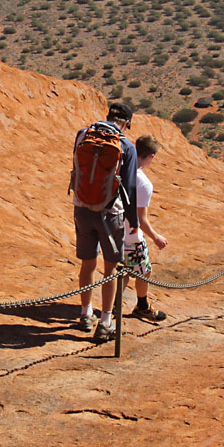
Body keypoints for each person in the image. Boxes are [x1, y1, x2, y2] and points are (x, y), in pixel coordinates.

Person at [71, 101, 138, 342]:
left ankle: (85, 313)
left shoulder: (82, 135)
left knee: (87, 264)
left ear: (107, 115)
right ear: (126, 123)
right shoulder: (126, 146)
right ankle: (106, 322)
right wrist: (134, 223)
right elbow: (129, 188)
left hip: (82, 209)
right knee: (111, 269)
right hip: (111, 214)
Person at [122, 134, 169, 322]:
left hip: (115, 232)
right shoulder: (143, 182)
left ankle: (114, 306)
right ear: (150, 156)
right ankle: (142, 306)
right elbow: (141, 218)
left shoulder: (121, 170)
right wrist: (155, 237)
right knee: (144, 270)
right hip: (132, 236)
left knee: (122, 270)